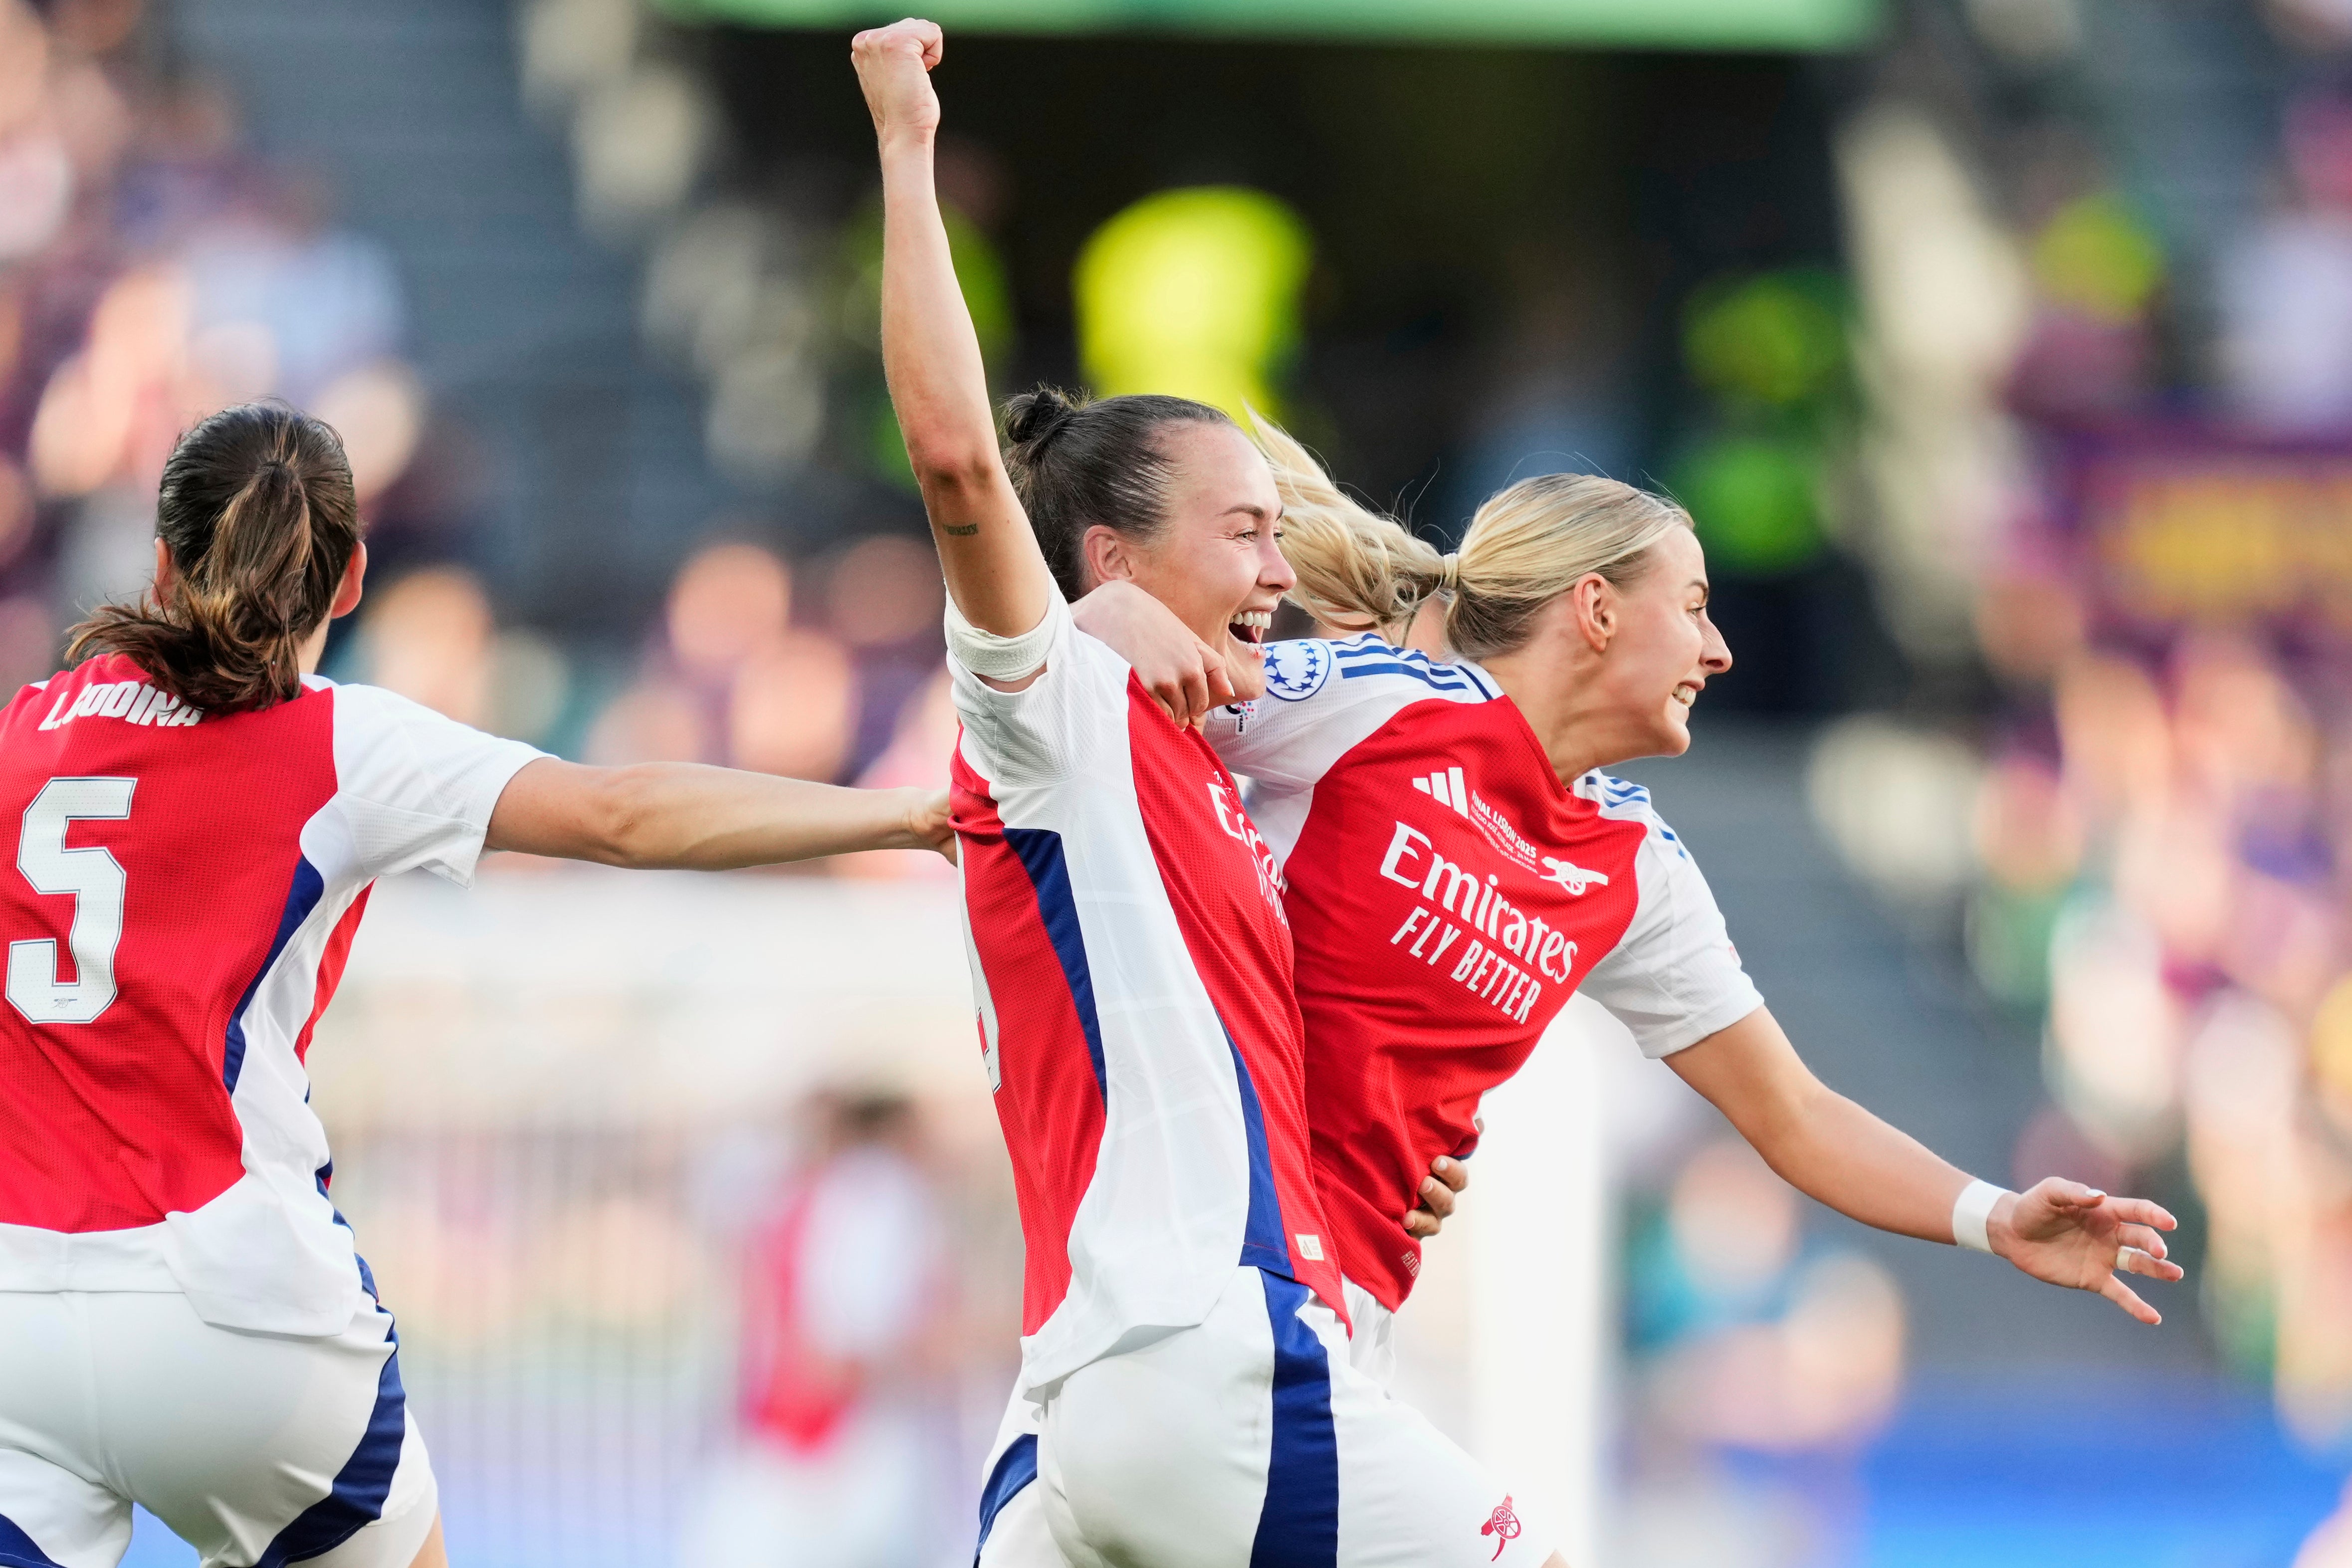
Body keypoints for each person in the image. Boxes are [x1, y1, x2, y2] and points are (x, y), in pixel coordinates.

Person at [0, 401, 953, 1568]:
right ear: (350, 580)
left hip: (19, 1320)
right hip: (228, 1300)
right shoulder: (334, 742)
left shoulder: (23, 732)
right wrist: (910, 815)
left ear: (160, 561)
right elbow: (621, 815)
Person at [851, 19, 1555, 1568]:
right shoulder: (1053, 713)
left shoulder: (1198, 762)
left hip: (1085, 1398)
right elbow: (961, 471)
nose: (1273, 569)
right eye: (1240, 532)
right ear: (1108, 558)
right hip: (1204, 1356)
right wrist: (907, 148)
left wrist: (1380, 1159)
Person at [1075, 416, 2187, 1395]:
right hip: (1210, 1268)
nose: (1720, 647)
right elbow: (1077, 725)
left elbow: (1792, 1114)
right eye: (1694, 607)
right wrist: (1100, 624)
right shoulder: (1375, 704)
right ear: (1596, 609)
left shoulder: (1634, 864)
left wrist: (1995, 1218)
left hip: (1346, 1303)